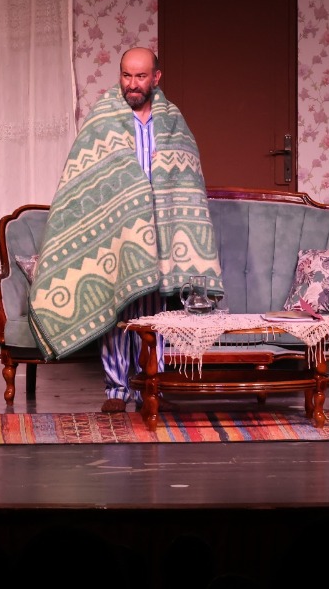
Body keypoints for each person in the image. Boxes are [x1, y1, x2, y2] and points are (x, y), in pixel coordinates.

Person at [29, 47, 222, 413]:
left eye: (140, 77)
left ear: (156, 78)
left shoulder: (172, 120)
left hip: (160, 227)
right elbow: (86, 177)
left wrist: (169, 182)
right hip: (118, 230)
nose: (132, 84)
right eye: (126, 76)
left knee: (156, 312)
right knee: (119, 306)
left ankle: (153, 385)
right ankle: (117, 389)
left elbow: (188, 173)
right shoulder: (103, 118)